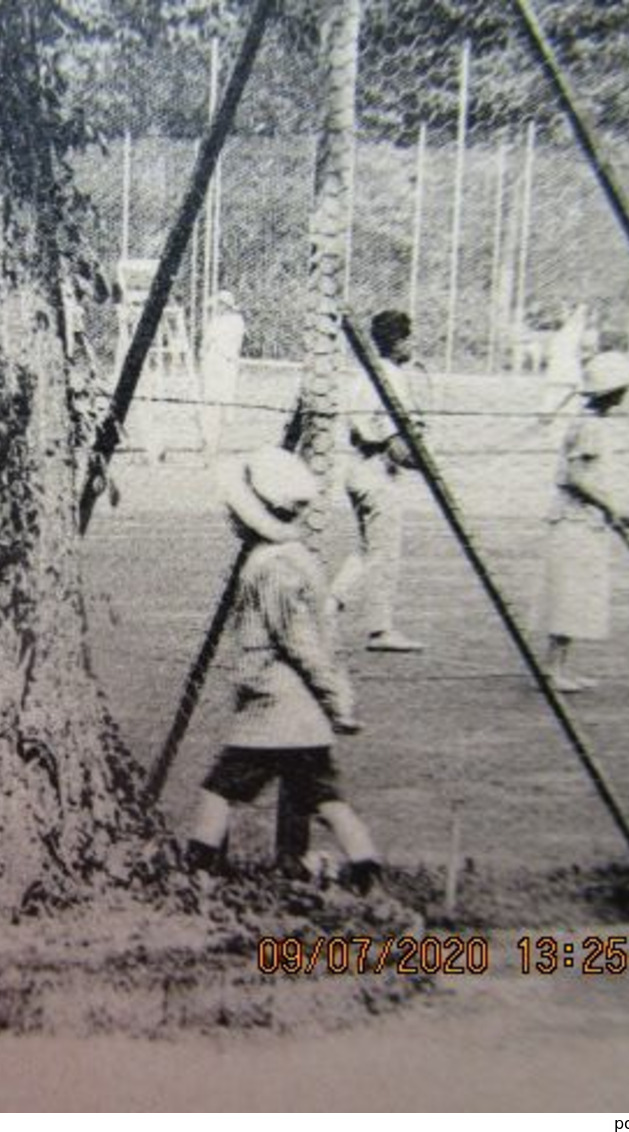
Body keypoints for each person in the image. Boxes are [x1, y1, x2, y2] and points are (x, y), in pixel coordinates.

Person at [183, 447, 383, 894]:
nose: (230, 517)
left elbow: (300, 641)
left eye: (236, 511)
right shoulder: (299, 560)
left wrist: (335, 696)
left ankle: (198, 872)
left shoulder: (270, 569)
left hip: (271, 712)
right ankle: (367, 871)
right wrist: (334, 699)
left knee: (219, 788)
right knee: (326, 798)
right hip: (304, 719)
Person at [534, 351, 629, 693]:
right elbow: (573, 477)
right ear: (612, 390)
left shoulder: (592, 422)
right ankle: (552, 670)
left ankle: (556, 667)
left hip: (583, 519)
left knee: (576, 594)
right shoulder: (590, 425)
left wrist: (612, 511)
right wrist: (615, 509)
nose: (627, 392)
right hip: (574, 521)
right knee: (569, 594)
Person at [330, 309, 426, 652]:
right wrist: (405, 451)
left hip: (358, 469)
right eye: (408, 337)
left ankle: (331, 605)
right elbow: (386, 434)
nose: (412, 344)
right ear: (398, 341)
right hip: (376, 470)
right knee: (384, 552)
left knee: (370, 547)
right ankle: (379, 629)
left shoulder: (366, 375)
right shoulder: (390, 378)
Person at [199, 289, 246, 457]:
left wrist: (202, 355)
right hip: (226, 363)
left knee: (214, 402)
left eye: (219, 304)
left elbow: (206, 343)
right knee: (222, 401)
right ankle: (213, 437)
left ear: (224, 306)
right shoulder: (238, 321)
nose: (217, 307)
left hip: (219, 362)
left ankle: (210, 439)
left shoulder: (220, 322)